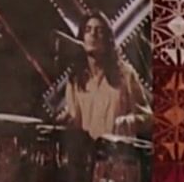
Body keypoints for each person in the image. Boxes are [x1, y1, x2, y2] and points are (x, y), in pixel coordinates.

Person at [58, 11, 152, 140]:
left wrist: (130, 121)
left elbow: (148, 118)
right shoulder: (76, 79)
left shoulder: (125, 74)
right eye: (88, 30)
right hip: (88, 151)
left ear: (108, 40)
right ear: (82, 38)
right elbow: (75, 121)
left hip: (117, 151)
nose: (93, 34)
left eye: (99, 31)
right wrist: (66, 121)